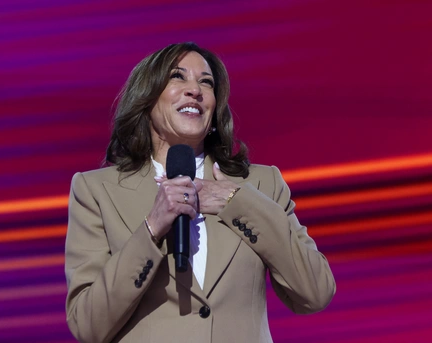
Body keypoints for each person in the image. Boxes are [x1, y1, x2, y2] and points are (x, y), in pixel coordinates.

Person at [65, 42, 336, 343]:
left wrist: (238, 203)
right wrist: (152, 228)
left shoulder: (261, 184)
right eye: (177, 77)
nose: (195, 90)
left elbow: (315, 293)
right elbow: (87, 325)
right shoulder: (96, 190)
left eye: (206, 82)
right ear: (147, 98)